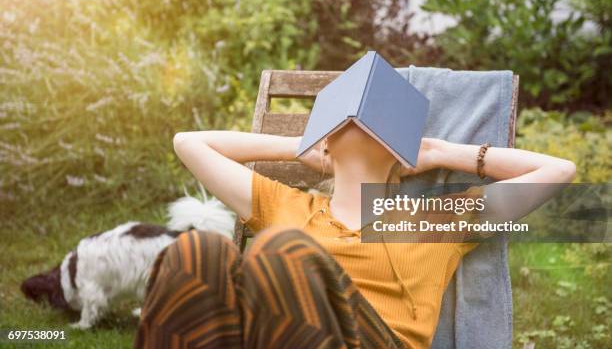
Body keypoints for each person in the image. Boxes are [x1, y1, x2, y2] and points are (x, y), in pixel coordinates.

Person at [134, 122, 576, 348]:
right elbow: (187, 142)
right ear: (326, 142)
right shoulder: (285, 207)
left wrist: (439, 151)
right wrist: (301, 148)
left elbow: (558, 171)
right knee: (195, 251)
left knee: (285, 251)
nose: (360, 123)